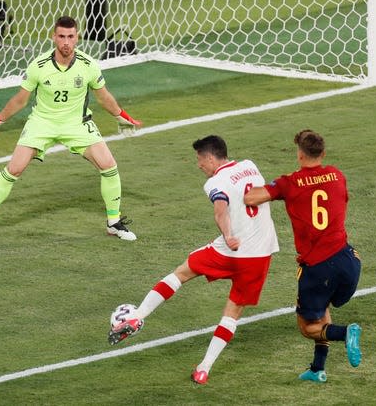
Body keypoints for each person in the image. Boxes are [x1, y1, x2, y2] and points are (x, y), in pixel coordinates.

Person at [108, 135, 279, 385]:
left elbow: (220, 209)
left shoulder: (214, 182)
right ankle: (204, 369)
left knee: (182, 273)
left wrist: (229, 235)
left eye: (200, 159)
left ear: (210, 157)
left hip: (230, 250)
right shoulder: (250, 166)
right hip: (260, 253)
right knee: (233, 312)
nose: (199, 165)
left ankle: (138, 315)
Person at [0, 16, 141, 241]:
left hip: (76, 123)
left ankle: (114, 222)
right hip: (42, 123)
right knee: (14, 169)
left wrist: (123, 116)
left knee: (109, 166)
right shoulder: (39, 65)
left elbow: (104, 97)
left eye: (70, 37)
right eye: (62, 36)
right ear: (54, 37)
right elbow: (20, 100)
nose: (66, 42)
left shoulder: (88, 65)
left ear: (78, 38)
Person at [244, 129, 362, 383]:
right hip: (348, 259)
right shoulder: (337, 175)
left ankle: (346, 333)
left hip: (318, 266)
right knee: (323, 308)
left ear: (299, 154)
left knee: (308, 326)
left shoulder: (291, 182)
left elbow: (251, 198)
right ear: (323, 153)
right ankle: (317, 368)